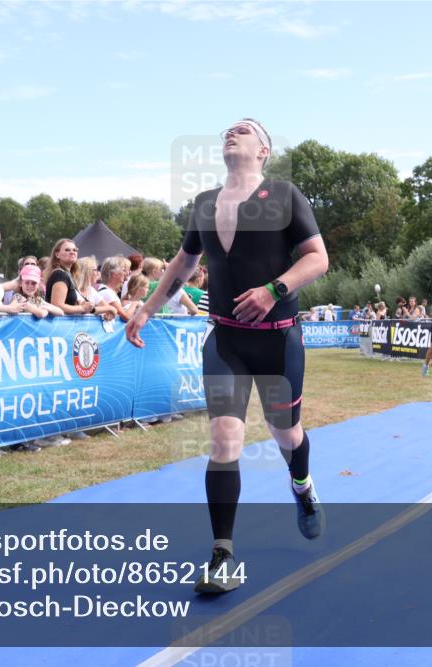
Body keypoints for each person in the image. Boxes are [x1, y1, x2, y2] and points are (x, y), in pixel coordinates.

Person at [126, 118, 329, 594]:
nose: (233, 131)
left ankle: (302, 486)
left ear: (264, 151)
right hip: (226, 341)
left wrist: (274, 289)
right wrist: (147, 309)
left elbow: (318, 258)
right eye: (229, 130)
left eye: (246, 129)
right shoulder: (203, 203)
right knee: (223, 440)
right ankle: (223, 554)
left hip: (278, 340)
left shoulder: (285, 196)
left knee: (286, 434)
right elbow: (183, 264)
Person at [44, 239, 94, 316]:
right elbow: (57, 306)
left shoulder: (67, 274)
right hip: (59, 324)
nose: (72, 252)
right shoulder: (60, 274)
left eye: (75, 250)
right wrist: (82, 308)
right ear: (57, 254)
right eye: (67, 250)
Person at [97, 256, 134, 321]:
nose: (127, 273)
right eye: (124, 270)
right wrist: (135, 303)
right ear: (113, 274)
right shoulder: (107, 292)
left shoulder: (110, 291)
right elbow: (126, 317)